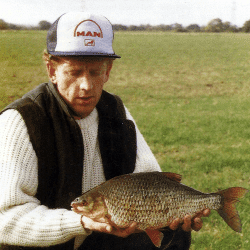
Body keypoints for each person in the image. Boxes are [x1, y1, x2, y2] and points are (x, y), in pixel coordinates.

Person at [0, 12, 210, 250]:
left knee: (175, 236)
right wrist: (80, 222)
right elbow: (4, 219)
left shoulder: (115, 111)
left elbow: (151, 179)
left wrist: (173, 210)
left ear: (108, 71)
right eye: (74, 72)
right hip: (42, 245)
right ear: (52, 70)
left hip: (97, 239)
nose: (86, 86)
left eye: (95, 72)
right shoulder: (21, 120)